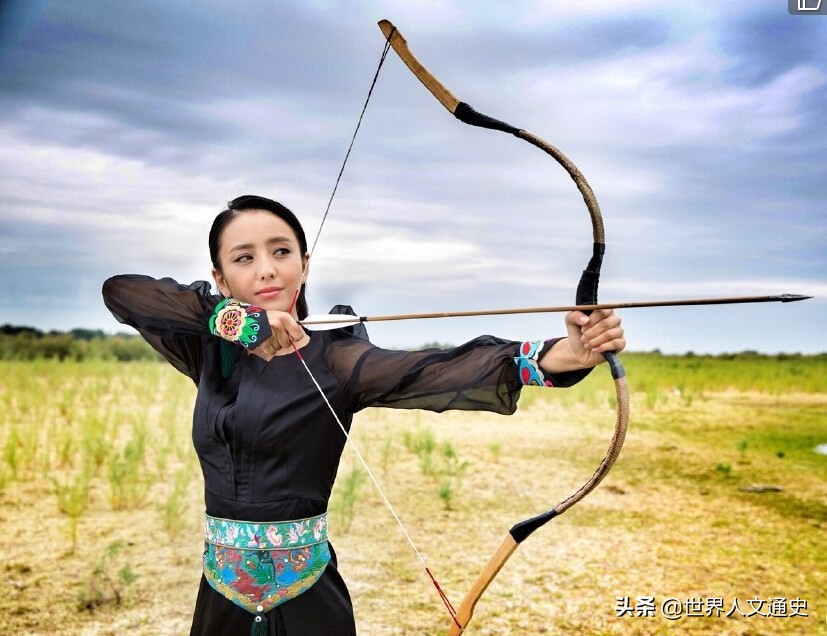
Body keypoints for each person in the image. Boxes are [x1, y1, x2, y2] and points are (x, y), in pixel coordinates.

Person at [102, 194, 625, 636]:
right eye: (244, 258)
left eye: (281, 251)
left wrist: (566, 355)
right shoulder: (210, 352)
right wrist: (234, 321)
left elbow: (439, 369)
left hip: (306, 598)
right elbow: (121, 292)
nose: (266, 268)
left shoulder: (337, 357)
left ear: (304, 265)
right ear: (220, 278)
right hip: (219, 594)